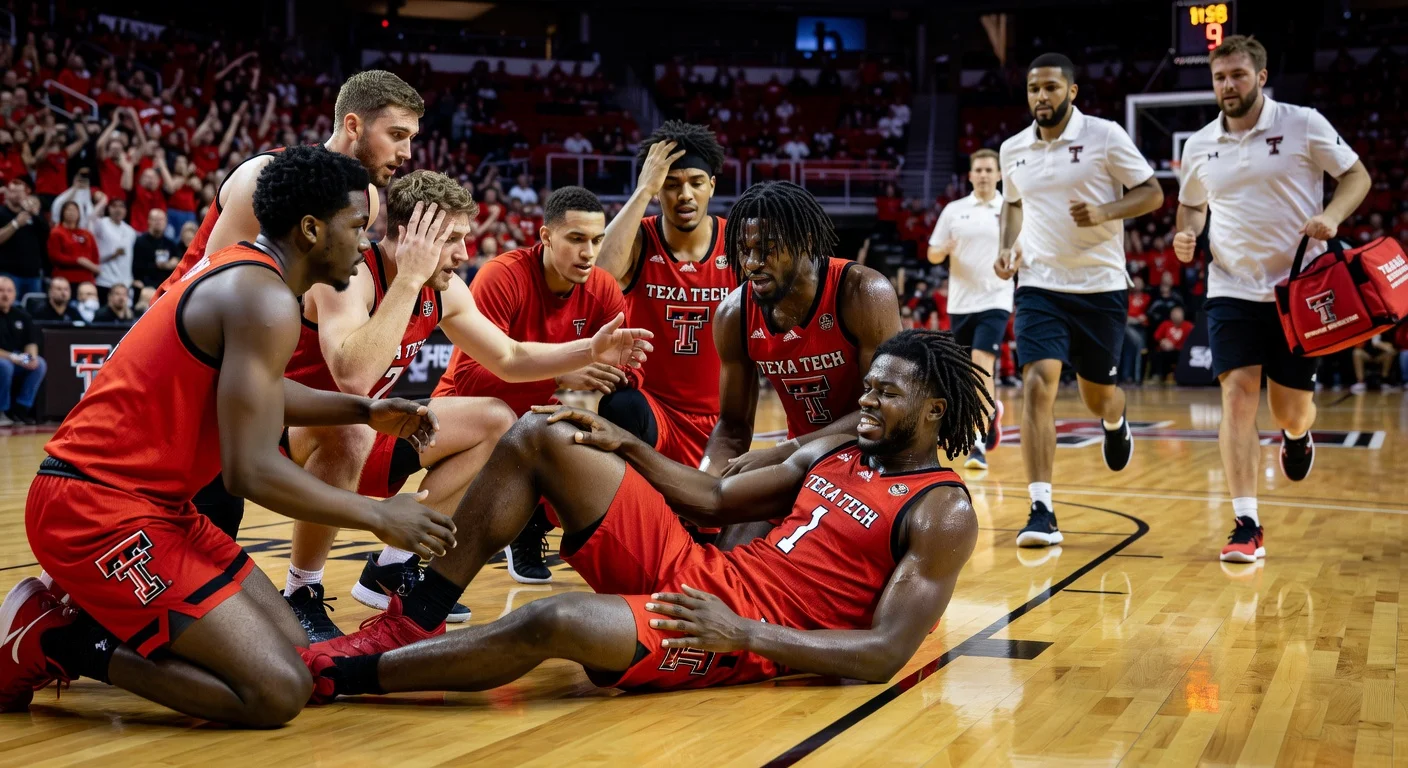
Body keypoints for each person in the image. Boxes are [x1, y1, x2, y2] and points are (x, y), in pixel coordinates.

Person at [0, 146, 454, 725]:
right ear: (312, 230)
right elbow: (250, 471)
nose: (366, 246)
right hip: (94, 509)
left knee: (300, 659)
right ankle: (54, 640)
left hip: (157, 507)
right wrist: (380, 516)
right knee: (275, 693)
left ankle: (100, 613)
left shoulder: (256, 277)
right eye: (358, 227)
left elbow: (261, 388)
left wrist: (363, 409)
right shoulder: (262, 298)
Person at [301, 330, 982, 696]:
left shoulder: (942, 509)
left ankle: (345, 677)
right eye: (866, 388)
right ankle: (408, 621)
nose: (865, 402)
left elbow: (885, 654)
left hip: (731, 633)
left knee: (554, 618)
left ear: (934, 411)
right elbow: (712, 499)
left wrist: (744, 634)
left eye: (885, 394)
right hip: (702, 571)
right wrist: (628, 446)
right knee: (546, 433)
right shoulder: (843, 450)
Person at [283, 174, 651, 639]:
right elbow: (353, 375)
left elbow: (510, 357)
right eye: (451, 240)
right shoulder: (345, 275)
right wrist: (410, 278)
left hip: (369, 427)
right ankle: (300, 589)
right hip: (293, 430)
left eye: (464, 239)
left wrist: (589, 351)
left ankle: (392, 566)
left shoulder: (446, 288)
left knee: (497, 419)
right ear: (412, 237)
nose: (463, 254)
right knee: (350, 424)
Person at [154, 69, 424, 541]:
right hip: (185, 348)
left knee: (215, 529)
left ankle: (301, 589)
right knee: (186, 515)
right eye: (397, 135)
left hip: (248, 350)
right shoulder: (266, 177)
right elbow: (212, 289)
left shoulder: (369, 200)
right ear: (354, 126)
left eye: (411, 138)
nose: (406, 154)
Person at [1172, 36, 1370, 562]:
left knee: (1291, 409)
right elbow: (1191, 207)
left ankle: (1297, 437)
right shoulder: (1198, 145)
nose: (1228, 85)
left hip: (1299, 291)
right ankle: (1246, 522)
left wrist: (1333, 217)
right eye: (1219, 77)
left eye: (1237, 75)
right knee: (1237, 394)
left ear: (1260, 77)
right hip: (1230, 287)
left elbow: (1356, 174)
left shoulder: (1302, 122)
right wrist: (1186, 234)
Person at [995, 53, 1164, 548]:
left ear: (1071, 92)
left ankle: (1114, 419)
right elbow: (1012, 203)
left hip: (1100, 286)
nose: (1040, 97)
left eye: (1050, 88)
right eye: (1033, 89)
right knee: (1037, 383)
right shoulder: (1013, 148)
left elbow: (1152, 193)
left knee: (1096, 395)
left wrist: (1106, 210)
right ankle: (1041, 509)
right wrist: (1007, 247)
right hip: (1040, 284)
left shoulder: (1106, 135)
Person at [431, 186, 633, 583]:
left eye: (596, 240)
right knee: (513, 427)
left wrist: (618, 373)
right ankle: (419, 565)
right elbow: (471, 378)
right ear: (545, 237)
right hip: (467, 413)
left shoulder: (604, 287)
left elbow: (628, 365)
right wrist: (560, 374)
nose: (588, 253)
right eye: (576, 239)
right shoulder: (501, 276)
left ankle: (537, 524)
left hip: (536, 414)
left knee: (624, 417)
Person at [703, 181, 903, 549]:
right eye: (744, 250)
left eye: (765, 250)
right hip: (801, 463)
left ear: (805, 240)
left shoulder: (863, 293)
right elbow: (732, 427)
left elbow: (883, 414)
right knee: (730, 553)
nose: (751, 264)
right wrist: (706, 483)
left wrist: (785, 451)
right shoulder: (734, 314)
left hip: (877, 460)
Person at [594, 121, 736, 495]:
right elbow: (598, 278)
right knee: (619, 406)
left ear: (712, 186)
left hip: (722, 422)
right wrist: (643, 188)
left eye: (695, 182)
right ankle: (630, 508)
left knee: (707, 531)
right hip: (654, 412)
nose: (684, 194)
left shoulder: (736, 244)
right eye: (671, 185)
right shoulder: (640, 238)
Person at [927, 148, 1012, 470]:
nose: (984, 174)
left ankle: (977, 444)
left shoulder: (1010, 209)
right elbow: (933, 253)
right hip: (962, 302)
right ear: (971, 174)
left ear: (999, 174)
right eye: (979, 169)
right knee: (965, 371)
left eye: (990, 169)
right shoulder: (954, 210)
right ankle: (992, 413)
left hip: (996, 298)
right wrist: (942, 250)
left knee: (982, 362)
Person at [0, 276, 45, 425]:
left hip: (16, 360)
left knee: (39, 363)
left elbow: (31, 342)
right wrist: (14, 357)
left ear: (15, 294)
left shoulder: (22, 315)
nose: (5, 295)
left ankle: (21, 409)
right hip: (6, 360)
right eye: (1, 291)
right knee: (4, 366)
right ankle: (2, 411)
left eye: (9, 291)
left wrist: (31, 357)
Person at [0, 176, 48, 297]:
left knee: (34, 310)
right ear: (6, 193)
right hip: (8, 273)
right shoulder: (1, 213)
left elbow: (47, 234)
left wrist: (36, 214)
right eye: (13, 191)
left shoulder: (33, 213)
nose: (17, 195)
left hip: (33, 273)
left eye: (20, 192)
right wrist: (16, 224)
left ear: (26, 193)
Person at [91, 196, 136, 303]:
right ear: (109, 209)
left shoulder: (131, 231)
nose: (118, 209)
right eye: (114, 206)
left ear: (126, 210)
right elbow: (90, 218)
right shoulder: (101, 224)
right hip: (105, 280)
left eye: (121, 206)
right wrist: (102, 202)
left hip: (125, 282)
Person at [46, 201, 101, 286]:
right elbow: (55, 256)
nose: (71, 213)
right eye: (68, 210)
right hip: (65, 280)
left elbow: (95, 256)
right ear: (62, 213)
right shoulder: (56, 232)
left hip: (87, 280)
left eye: (74, 210)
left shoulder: (87, 234)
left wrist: (93, 267)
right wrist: (78, 261)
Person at [132, 209, 180, 289]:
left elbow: (177, 260)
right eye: (155, 219)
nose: (158, 222)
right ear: (149, 221)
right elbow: (136, 266)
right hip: (145, 286)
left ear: (166, 222)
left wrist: (172, 263)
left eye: (161, 220)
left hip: (165, 287)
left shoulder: (170, 244)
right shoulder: (140, 242)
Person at [1150, 305, 1193, 382]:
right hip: (1165, 350)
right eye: (1174, 313)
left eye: (1178, 313)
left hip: (1180, 351)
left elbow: (1193, 340)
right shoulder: (1165, 324)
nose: (1176, 315)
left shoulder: (1188, 326)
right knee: (1156, 354)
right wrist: (1162, 341)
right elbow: (1157, 336)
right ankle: (1158, 376)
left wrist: (1176, 346)